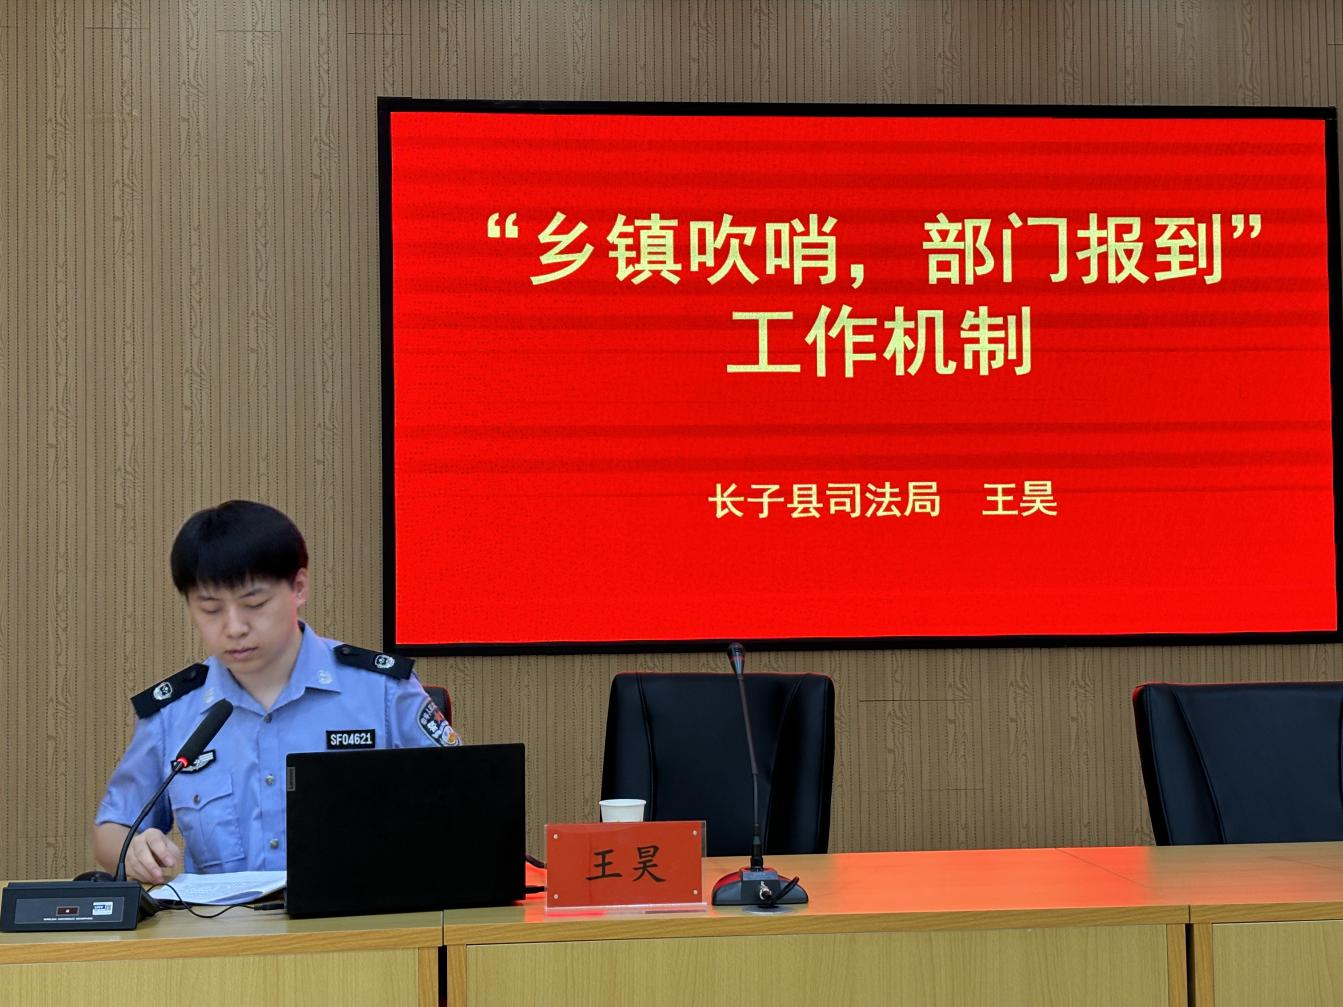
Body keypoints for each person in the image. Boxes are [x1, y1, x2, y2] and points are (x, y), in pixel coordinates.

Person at [93, 500, 460, 884]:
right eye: (211, 610)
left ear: (298, 588)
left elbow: (464, 804)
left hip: (361, 917)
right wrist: (133, 850)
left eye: (254, 604)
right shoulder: (172, 712)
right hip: (226, 921)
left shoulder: (382, 691)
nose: (234, 627)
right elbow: (113, 827)